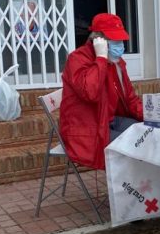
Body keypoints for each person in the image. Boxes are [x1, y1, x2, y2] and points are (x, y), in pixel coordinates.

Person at [59, 13, 143, 170]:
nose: (120, 45)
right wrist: (101, 58)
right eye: (115, 40)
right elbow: (90, 92)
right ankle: (126, 192)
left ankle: (141, 190)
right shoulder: (77, 59)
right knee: (133, 148)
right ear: (98, 40)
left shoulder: (116, 63)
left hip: (109, 120)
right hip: (87, 129)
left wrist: (153, 117)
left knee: (147, 134)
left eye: (121, 40)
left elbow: (130, 98)